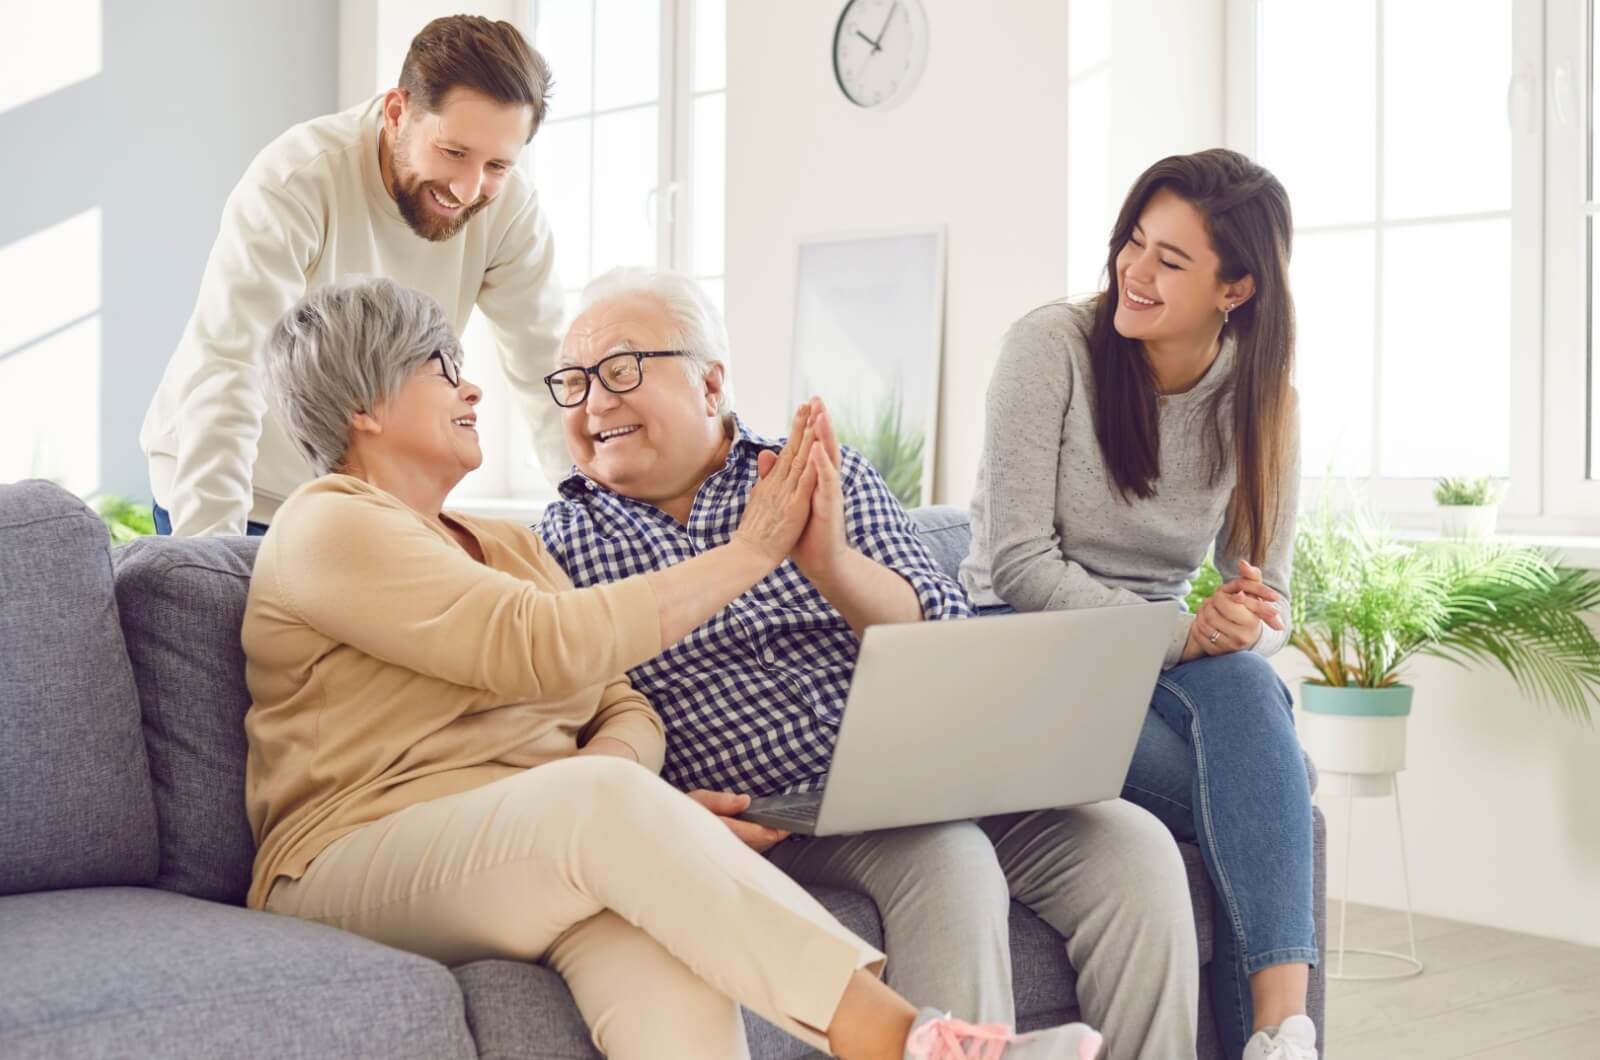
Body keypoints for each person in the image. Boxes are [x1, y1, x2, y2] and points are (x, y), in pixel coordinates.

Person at [244, 275, 1104, 1060]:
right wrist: (754, 550)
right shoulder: (327, 524)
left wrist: (612, 779)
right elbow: (534, 641)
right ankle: (916, 1044)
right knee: (595, 809)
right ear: (365, 404)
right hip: (351, 859)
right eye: (441, 368)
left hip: (530, 845)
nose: (471, 388)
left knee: (671, 965)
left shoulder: (502, 544)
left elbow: (622, 701)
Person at [536, 266, 1200, 1060]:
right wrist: (662, 812)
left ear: (710, 383)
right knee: (947, 857)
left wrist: (834, 566)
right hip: (781, 811)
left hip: (933, 769)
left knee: (1134, 846)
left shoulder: (824, 475)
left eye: (620, 371)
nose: (594, 403)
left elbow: (948, 636)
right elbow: (566, 730)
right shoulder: (559, 544)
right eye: (573, 384)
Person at [961, 149, 1316, 1060]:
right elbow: (1017, 566)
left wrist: (1239, 623)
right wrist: (1182, 633)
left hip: (1164, 659)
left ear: (1235, 289)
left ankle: (1285, 1034)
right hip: (1026, 642)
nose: (1135, 269)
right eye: (1135, 241)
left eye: (1171, 260)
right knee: (1255, 792)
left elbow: (1263, 592)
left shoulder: (1261, 395)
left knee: (1248, 691)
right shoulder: (1051, 348)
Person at [141, 15, 569, 538]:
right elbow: (229, 369)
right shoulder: (297, 181)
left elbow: (547, 372)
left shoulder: (511, 213)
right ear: (397, 112)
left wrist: (599, 514)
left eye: (498, 165)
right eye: (453, 152)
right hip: (235, 490)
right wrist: (211, 551)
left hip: (360, 504)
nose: (467, 188)